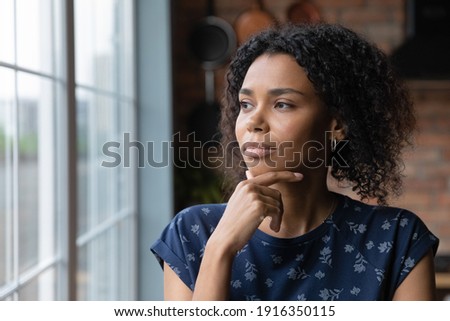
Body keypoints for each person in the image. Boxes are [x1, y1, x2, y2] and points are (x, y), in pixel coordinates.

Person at [151, 23, 439, 300]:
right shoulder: (192, 233)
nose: (254, 122)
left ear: (337, 125)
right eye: (246, 104)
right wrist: (220, 249)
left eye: (282, 104)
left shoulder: (398, 240)